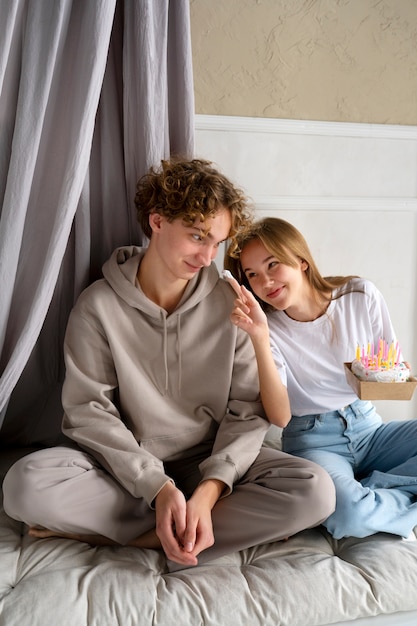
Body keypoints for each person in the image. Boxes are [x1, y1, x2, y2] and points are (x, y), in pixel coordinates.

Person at [3, 160, 335, 569]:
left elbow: (248, 411)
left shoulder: (231, 305)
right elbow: (89, 412)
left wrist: (210, 489)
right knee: (25, 484)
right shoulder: (98, 306)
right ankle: (182, 523)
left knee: (315, 489)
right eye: (198, 237)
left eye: (217, 243)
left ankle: (139, 537)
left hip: (208, 462)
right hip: (123, 468)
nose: (207, 256)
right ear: (157, 221)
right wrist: (158, 488)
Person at [225, 216, 417, 541]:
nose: (265, 281)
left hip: (368, 427)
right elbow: (280, 416)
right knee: (350, 515)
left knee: (355, 503)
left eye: (273, 265)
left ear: (301, 261)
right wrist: (258, 336)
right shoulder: (263, 327)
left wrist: (393, 375)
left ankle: (371, 487)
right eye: (253, 275)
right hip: (312, 441)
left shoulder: (360, 295)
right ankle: (361, 497)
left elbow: (390, 372)